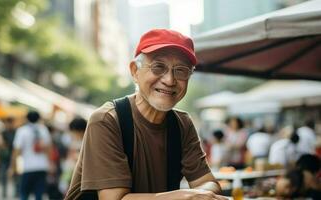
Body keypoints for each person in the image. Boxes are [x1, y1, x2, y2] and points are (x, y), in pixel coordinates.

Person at [65, 29, 225, 200]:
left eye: (181, 70)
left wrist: (199, 193)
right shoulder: (107, 120)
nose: (169, 80)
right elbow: (114, 199)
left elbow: (209, 183)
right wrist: (185, 196)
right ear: (135, 71)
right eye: (158, 67)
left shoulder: (182, 123)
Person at [11, 111, 52, 200]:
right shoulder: (43, 129)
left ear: (26, 119)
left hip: (27, 167)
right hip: (42, 166)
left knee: (24, 193)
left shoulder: (22, 130)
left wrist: (13, 167)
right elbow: (49, 148)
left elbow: (17, 150)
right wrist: (50, 164)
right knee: (39, 194)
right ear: (39, 118)